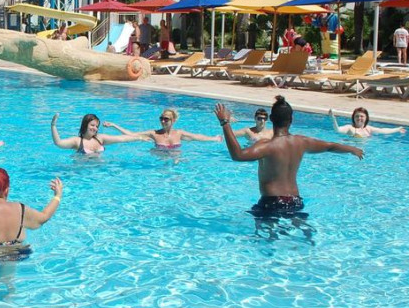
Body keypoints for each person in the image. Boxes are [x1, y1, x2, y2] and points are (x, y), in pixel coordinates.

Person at [215, 96, 363, 216]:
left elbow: (238, 155)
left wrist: (225, 123)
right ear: (291, 120)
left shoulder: (266, 146)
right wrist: (351, 149)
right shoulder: (301, 142)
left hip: (271, 203)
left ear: (271, 118)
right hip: (295, 201)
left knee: (265, 238)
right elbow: (330, 146)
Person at [105, 108, 221, 151]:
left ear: (173, 120)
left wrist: (214, 139)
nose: (163, 121)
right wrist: (114, 125)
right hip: (159, 159)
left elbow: (197, 137)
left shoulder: (179, 133)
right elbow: (132, 134)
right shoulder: (154, 133)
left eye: (166, 119)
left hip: (175, 157)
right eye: (161, 118)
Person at [50, 113, 143, 155]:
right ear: (85, 125)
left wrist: (139, 138)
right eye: (92, 125)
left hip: (99, 173)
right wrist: (53, 125)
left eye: (97, 126)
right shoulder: (77, 141)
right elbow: (58, 143)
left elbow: (122, 139)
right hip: (82, 174)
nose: (95, 128)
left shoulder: (100, 138)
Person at [328, 107, 406, 138]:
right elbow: (337, 130)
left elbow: (383, 130)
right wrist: (333, 119)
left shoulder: (368, 129)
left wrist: (397, 129)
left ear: (366, 118)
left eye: (361, 116)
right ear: (353, 118)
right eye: (357, 116)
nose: (359, 118)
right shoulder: (349, 128)